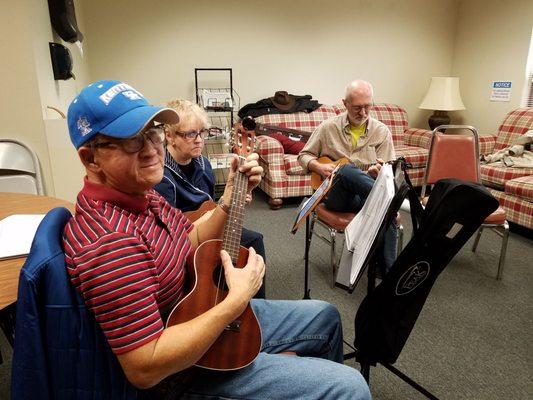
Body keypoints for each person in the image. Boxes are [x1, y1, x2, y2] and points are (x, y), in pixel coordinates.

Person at [63, 80, 371, 400]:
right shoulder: (111, 244)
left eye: (151, 132)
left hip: (199, 310)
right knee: (348, 386)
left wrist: (229, 199)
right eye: (130, 140)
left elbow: (187, 238)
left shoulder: (140, 194)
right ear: (90, 159)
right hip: (184, 372)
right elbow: (146, 368)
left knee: (325, 316)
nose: (151, 147)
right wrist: (238, 298)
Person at [154, 100, 266, 298]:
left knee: (254, 240)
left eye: (203, 132)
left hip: (213, 225)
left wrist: (236, 200)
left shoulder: (204, 164)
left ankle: (253, 306)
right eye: (190, 134)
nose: (199, 140)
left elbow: (211, 205)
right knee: (251, 241)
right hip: (186, 241)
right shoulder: (162, 177)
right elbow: (170, 235)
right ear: (169, 136)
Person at [298, 80, 397, 273]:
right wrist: (317, 166)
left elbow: (388, 169)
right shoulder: (328, 127)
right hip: (334, 195)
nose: (363, 113)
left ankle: (390, 275)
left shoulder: (381, 131)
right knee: (344, 170)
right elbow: (303, 156)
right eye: (357, 108)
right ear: (345, 104)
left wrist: (380, 172)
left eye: (368, 107)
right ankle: (390, 199)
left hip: (365, 196)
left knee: (388, 213)